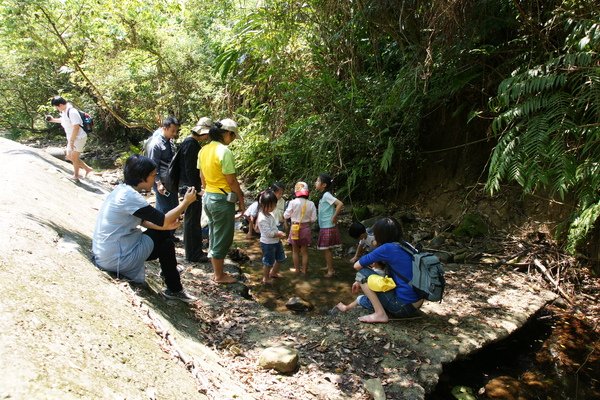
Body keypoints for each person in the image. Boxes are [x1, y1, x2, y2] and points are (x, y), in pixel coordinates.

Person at [92, 155, 197, 303]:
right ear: (142, 177)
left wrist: (165, 226)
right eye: (153, 176)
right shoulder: (130, 197)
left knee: (165, 239)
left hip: (107, 254)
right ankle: (174, 287)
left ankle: (173, 284)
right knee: (164, 238)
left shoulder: (122, 190)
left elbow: (144, 220)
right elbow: (163, 219)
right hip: (116, 258)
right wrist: (186, 202)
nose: (155, 180)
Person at [340, 217, 423, 323]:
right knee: (369, 294)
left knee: (362, 274)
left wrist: (359, 280)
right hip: (417, 302)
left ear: (380, 235)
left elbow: (357, 266)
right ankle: (368, 303)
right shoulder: (405, 244)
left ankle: (380, 314)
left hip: (403, 307)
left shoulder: (387, 248)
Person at [199, 118, 245, 283]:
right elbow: (232, 181)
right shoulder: (224, 152)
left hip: (209, 197)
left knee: (214, 233)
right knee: (223, 236)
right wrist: (241, 200)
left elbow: (202, 177)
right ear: (226, 133)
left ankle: (217, 272)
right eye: (232, 136)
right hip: (222, 200)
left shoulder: (203, 150)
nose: (232, 140)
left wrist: (208, 190)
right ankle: (219, 275)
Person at [178, 116, 213, 262]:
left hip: (188, 188)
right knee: (192, 221)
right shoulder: (192, 145)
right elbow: (190, 170)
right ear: (204, 133)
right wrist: (196, 189)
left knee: (191, 220)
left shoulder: (188, 142)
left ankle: (193, 251)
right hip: (191, 189)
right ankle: (193, 254)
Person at [147, 116, 181, 239]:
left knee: (173, 207)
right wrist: (158, 183)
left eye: (176, 131)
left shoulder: (169, 141)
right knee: (164, 209)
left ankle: (168, 234)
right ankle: (161, 236)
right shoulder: (156, 144)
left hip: (171, 182)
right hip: (161, 183)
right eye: (172, 131)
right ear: (165, 128)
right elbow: (152, 166)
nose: (174, 134)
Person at [46, 96, 93, 181]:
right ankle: (87, 169)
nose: (56, 108)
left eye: (56, 107)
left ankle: (76, 176)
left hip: (79, 138)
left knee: (74, 157)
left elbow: (76, 127)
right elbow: (64, 120)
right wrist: (52, 120)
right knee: (68, 156)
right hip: (72, 138)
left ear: (60, 105)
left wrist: (72, 141)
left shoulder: (72, 112)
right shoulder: (65, 111)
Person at [283, 181, 317, 275]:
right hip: (306, 228)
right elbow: (314, 219)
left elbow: (286, 216)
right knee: (305, 251)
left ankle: (297, 270)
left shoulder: (292, 202)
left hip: (294, 228)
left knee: (295, 251)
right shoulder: (311, 204)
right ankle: (304, 270)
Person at [315, 173, 344, 278]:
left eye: (318, 181)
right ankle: (328, 266)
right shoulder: (324, 195)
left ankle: (331, 271)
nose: (316, 182)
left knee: (326, 249)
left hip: (328, 225)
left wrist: (335, 216)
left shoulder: (327, 195)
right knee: (327, 248)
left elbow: (340, 204)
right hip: (325, 225)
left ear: (324, 185)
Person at [256, 189, 287, 284]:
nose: (271, 208)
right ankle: (266, 278)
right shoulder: (262, 218)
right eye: (269, 206)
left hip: (276, 241)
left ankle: (273, 272)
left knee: (281, 258)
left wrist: (278, 232)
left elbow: (273, 227)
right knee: (268, 262)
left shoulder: (269, 214)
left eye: (273, 205)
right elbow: (268, 233)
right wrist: (278, 234)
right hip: (268, 243)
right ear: (262, 205)